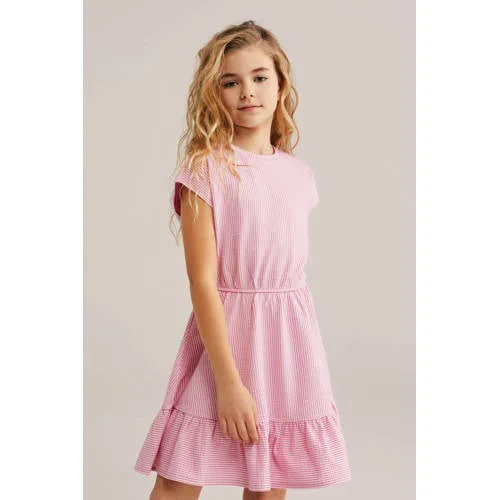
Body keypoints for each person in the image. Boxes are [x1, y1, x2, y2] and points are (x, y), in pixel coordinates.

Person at [134, 20, 352, 500]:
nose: (247, 91)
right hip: (225, 338)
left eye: (259, 77)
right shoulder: (205, 170)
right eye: (230, 81)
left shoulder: (299, 175)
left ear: (281, 84)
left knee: (269, 481)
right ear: (215, 93)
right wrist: (228, 382)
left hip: (288, 341)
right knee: (177, 480)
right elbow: (202, 282)